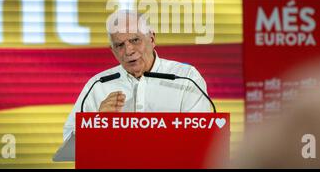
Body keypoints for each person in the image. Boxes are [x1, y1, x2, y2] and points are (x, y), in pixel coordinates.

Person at [63, 10, 211, 140]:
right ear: (112, 50)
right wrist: (96, 123)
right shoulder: (98, 84)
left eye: (135, 40)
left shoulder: (186, 78)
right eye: (119, 45)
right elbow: (69, 139)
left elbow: (199, 138)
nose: (128, 51)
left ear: (152, 39)